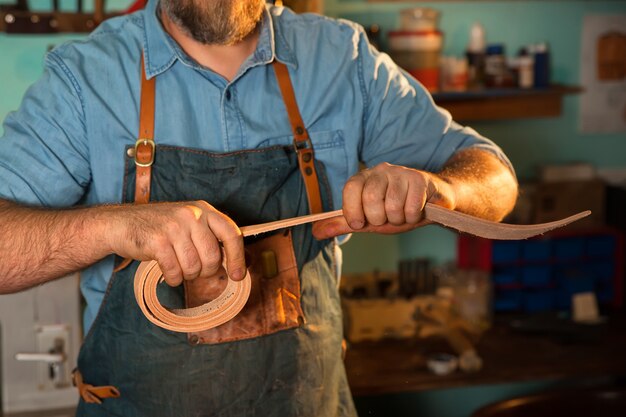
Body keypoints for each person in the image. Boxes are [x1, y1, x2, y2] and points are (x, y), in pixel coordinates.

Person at [0, 0, 518, 415]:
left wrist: (440, 191)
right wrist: (114, 226)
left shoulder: (343, 60)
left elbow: (495, 178)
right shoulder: (85, 79)